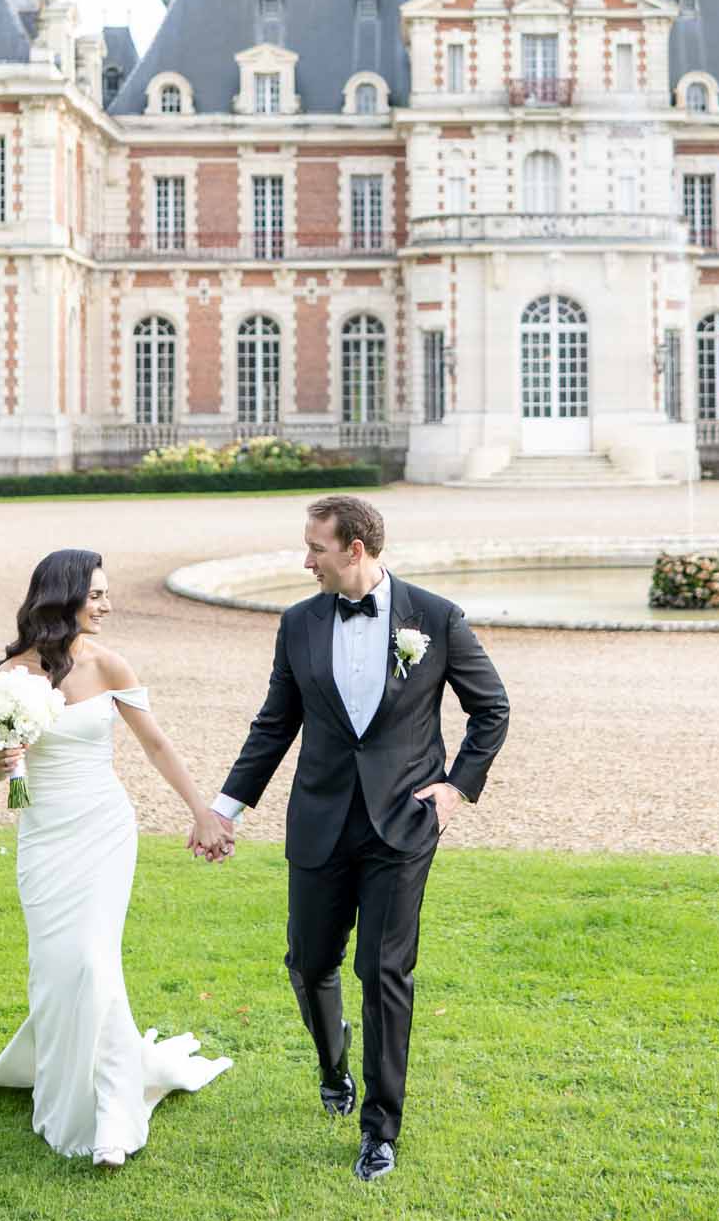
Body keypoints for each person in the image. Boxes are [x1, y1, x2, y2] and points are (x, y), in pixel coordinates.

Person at [191, 496, 510, 1182]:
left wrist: (455, 788)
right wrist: (224, 810)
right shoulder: (298, 623)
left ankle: (379, 1129)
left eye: (316, 549)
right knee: (307, 963)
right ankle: (332, 1062)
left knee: (384, 973)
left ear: (355, 549)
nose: (305, 561)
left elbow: (491, 708)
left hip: (403, 824)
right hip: (319, 818)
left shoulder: (437, 618)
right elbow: (273, 724)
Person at [0, 548, 233, 1165]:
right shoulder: (10, 673)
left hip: (103, 829)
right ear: (62, 597)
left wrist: (203, 814)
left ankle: (111, 1114)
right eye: (96, 595)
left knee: (93, 960)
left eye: (107, 594)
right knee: (57, 967)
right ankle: (60, 1083)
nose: (107, 605)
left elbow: (158, 744)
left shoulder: (109, 665)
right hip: (43, 836)